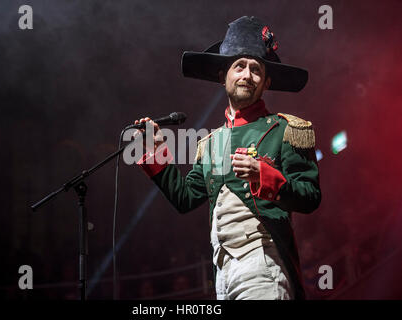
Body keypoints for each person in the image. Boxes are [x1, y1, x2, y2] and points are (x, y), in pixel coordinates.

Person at [133, 16, 321, 300]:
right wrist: (156, 152)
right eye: (240, 66)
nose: (247, 75)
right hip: (222, 274)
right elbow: (185, 199)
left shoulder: (285, 130)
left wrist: (264, 176)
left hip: (262, 267)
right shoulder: (211, 143)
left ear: (266, 82)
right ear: (223, 77)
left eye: (256, 69)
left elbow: (310, 197)